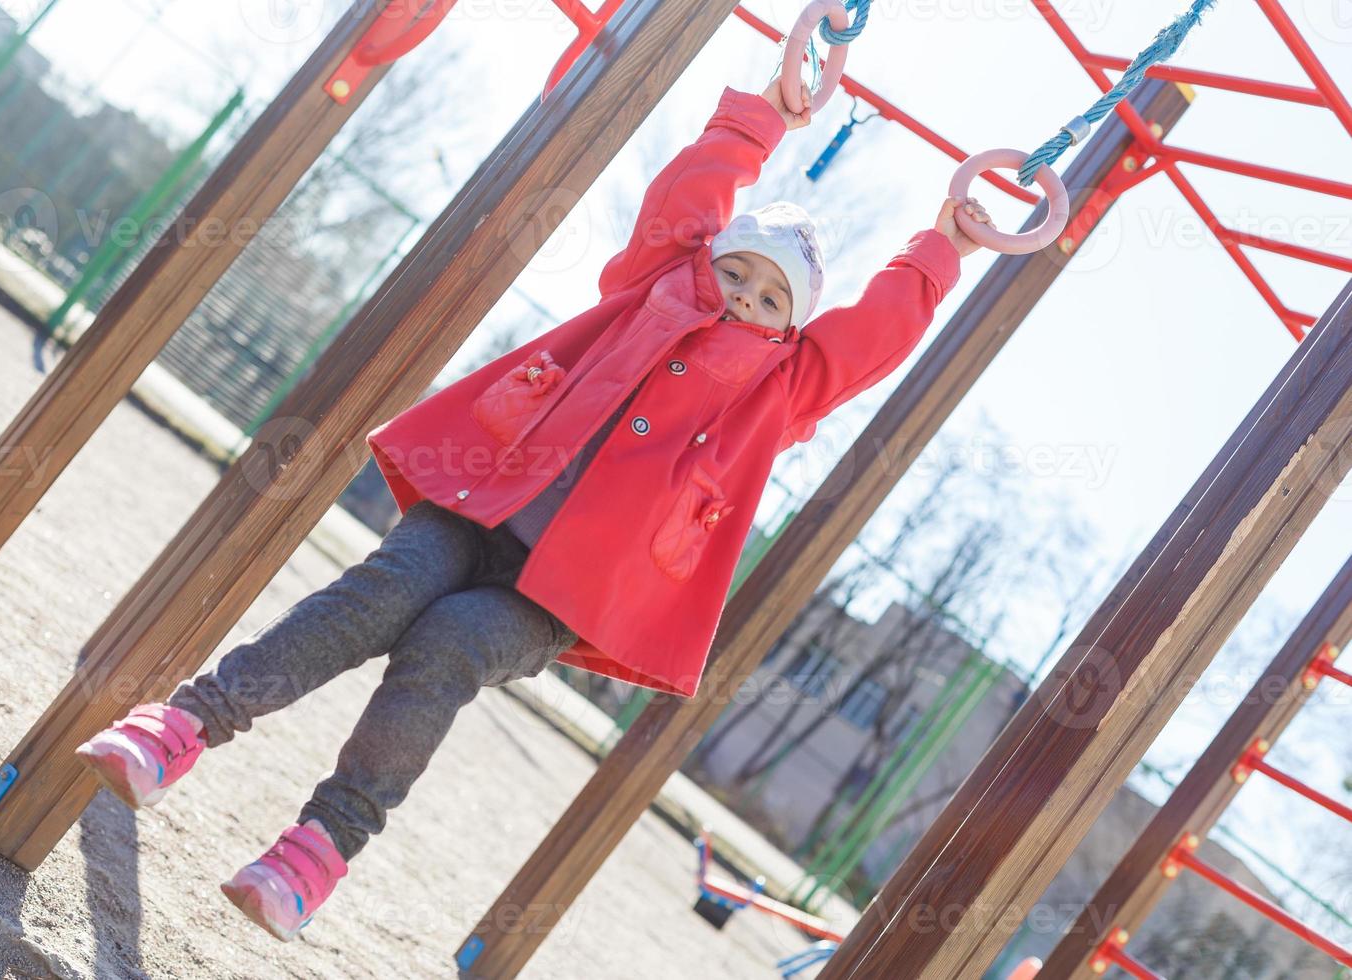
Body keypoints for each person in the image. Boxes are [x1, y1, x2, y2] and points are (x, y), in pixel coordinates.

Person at [74, 76, 994, 941]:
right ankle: (190, 723)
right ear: (710, 264)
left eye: (768, 301)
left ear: (788, 327)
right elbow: (688, 198)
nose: (744, 301)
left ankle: (317, 852)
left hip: (555, 596)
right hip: (481, 510)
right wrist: (761, 118)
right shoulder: (656, 286)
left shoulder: (780, 389)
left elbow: (874, 335)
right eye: (738, 275)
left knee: (453, 645)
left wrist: (941, 245)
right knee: (385, 591)